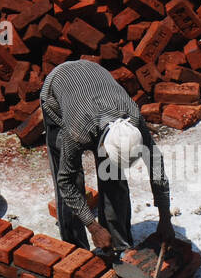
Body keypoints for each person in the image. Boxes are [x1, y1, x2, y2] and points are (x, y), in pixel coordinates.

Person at [40, 59, 174, 254]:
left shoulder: (133, 119)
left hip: (94, 76)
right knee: (71, 179)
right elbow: (65, 182)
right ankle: (76, 251)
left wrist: (165, 217)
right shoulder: (77, 131)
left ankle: (119, 245)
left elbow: (156, 165)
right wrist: (93, 226)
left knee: (112, 176)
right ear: (103, 145)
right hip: (58, 90)